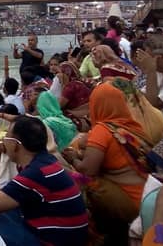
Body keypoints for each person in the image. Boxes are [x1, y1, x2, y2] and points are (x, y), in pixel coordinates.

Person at [0, 116, 88, 246]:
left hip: (51, 241)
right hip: (67, 236)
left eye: (7, 137)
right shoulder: (45, 162)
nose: (3, 141)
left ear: (15, 144)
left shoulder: (35, 173)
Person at [63, 82, 153, 245]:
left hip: (130, 201)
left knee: (74, 177)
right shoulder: (131, 126)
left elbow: (88, 170)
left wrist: (73, 159)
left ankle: (93, 233)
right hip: (149, 194)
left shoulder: (102, 130)